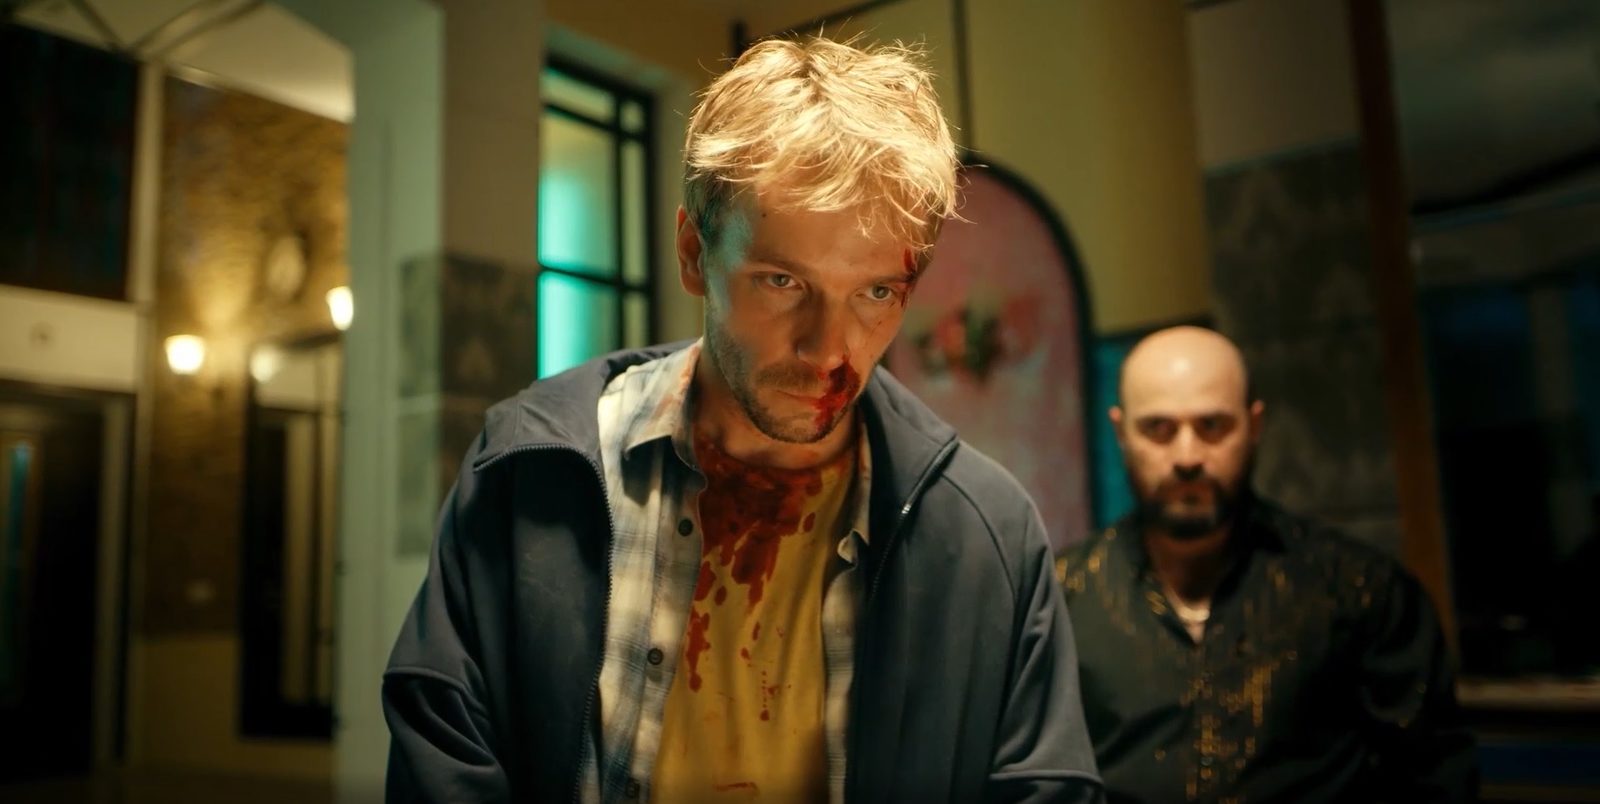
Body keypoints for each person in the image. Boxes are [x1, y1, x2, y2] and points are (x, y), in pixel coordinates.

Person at [384, 35, 1103, 803]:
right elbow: (443, 766)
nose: (830, 349)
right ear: (693, 252)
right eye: (783, 281)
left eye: (876, 293)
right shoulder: (532, 472)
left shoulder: (989, 536)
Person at [1056, 326, 1477, 803]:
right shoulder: (1062, 598)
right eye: (1159, 429)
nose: (1187, 456)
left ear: (1254, 425)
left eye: (1213, 426)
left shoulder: (1359, 590)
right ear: (1120, 432)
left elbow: (1435, 777)